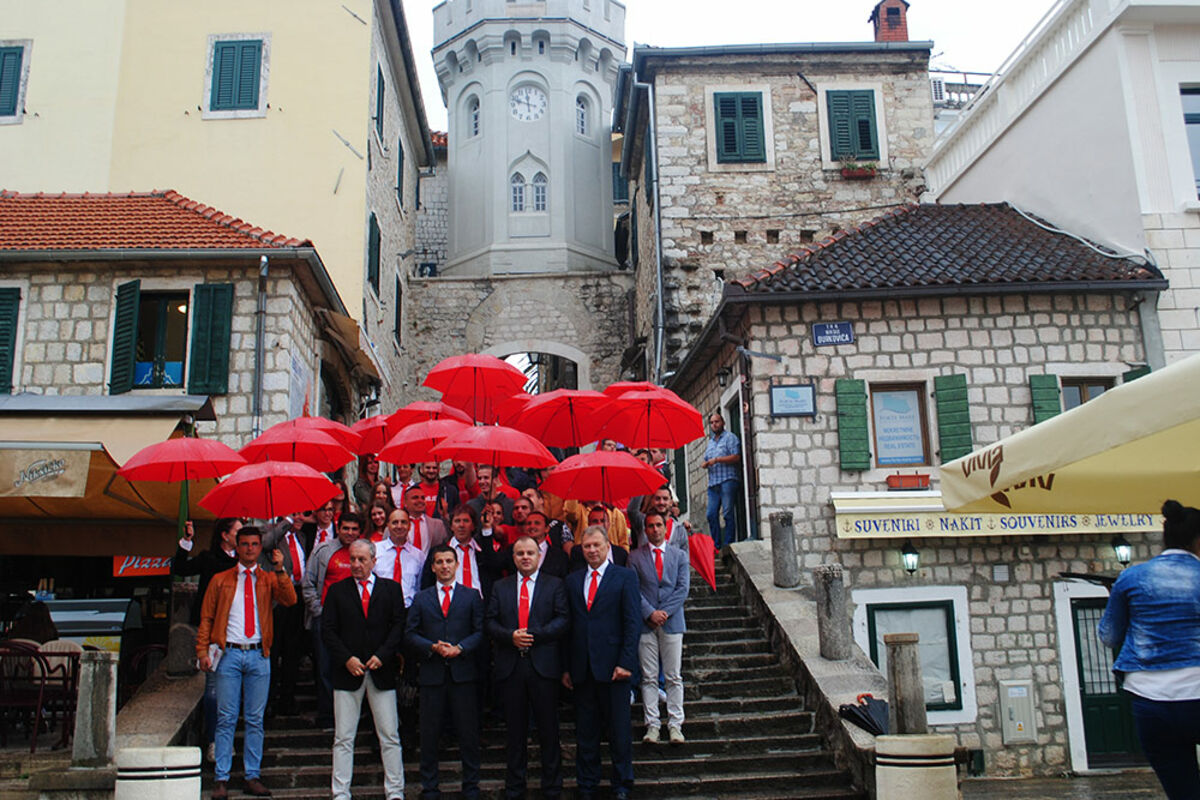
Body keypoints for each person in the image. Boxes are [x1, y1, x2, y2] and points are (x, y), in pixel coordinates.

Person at [1099, 500, 1200, 800]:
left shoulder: (1131, 578)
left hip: (1150, 701)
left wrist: (1118, 599)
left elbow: (1108, 636)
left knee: (1183, 791)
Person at [196, 526, 297, 799]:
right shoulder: (220, 579)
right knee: (226, 717)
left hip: (258, 653)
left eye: (254, 544)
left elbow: (290, 599)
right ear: (237, 547)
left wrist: (280, 569)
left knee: (255, 719)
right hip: (228, 652)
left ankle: (252, 775)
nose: (250, 549)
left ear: (260, 547)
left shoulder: (267, 578)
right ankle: (221, 777)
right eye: (245, 544)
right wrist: (202, 650)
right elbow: (207, 617)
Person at [486, 535, 569, 800]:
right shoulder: (500, 586)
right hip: (511, 667)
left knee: (548, 730)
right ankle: (515, 787)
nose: (525, 557)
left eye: (530, 553)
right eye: (520, 553)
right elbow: (490, 621)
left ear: (539, 556)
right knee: (514, 732)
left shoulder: (554, 585)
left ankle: (552, 787)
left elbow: (563, 619)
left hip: (543, 666)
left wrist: (534, 635)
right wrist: (510, 636)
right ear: (513, 558)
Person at [322, 539, 407, 800]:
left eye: (362, 559)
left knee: (389, 735)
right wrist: (346, 659)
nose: (356, 564)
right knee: (343, 737)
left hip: (381, 671)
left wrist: (383, 655)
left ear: (374, 561)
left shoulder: (390, 589)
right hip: (348, 672)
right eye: (353, 559)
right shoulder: (337, 591)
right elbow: (328, 630)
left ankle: (395, 791)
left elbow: (398, 626)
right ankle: (340, 792)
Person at [563, 526, 642, 800]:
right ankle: (587, 784)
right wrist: (567, 667)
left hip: (614, 668)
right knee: (586, 733)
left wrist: (626, 662)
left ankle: (622, 784)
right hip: (582, 668)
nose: (592, 550)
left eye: (597, 545)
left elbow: (632, 623)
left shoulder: (625, 577)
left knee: (619, 731)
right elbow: (569, 627)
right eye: (587, 546)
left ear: (608, 546)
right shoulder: (573, 581)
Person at [405, 544, 485, 800]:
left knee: (468, 734)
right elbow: (410, 633)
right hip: (432, 675)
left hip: (463, 674)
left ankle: (471, 786)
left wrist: (461, 648)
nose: (445, 566)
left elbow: (480, 631)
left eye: (449, 561)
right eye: (439, 562)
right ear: (432, 567)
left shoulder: (471, 596)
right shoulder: (421, 598)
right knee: (429, 735)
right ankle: (430, 787)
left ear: (457, 564)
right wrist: (432, 647)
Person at [172, 517, 240, 762]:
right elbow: (180, 568)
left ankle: (227, 738)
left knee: (233, 690)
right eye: (238, 531)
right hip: (212, 629)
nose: (242, 537)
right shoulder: (209, 558)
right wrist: (186, 541)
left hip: (237, 628)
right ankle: (214, 740)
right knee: (213, 690)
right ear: (225, 535)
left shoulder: (244, 562)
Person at [629, 511, 690, 744]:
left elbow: (682, 588)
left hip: (672, 621)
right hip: (646, 623)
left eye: (658, 525)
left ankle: (675, 724)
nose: (655, 530)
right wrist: (649, 613)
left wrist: (663, 612)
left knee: (673, 675)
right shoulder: (635, 557)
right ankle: (652, 725)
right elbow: (633, 589)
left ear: (665, 528)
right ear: (645, 530)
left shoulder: (679, 555)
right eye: (650, 526)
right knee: (649, 676)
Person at [304, 512, 365, 729]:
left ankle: (355, 718)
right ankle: (327, 716)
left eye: (354, 529)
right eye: (346, 528)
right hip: (326, 619)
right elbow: (309, 582)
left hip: (356, 621)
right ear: (338, 528)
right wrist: (319, 611)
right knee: (325, 668)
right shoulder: (323, 550)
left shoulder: (363, 552)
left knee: (355, 667)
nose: (350, 533)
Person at [261, 511, 316, 717]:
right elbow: (265, 543)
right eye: (295, 514)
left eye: (303, 514)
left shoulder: (301, 537)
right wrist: (288, 521)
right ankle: (269, 700)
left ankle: (287, 698)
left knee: (293, 651)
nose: (300, 518)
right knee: (274, 650)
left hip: (298, 597)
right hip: (278, 599)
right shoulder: (272, 533)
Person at [702, 412, 741, 549]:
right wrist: (705, 464)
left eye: (717, 422)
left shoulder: (730, 438)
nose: (714, 425)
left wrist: (718, 460)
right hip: (713, 484)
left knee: (727, 513)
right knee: (711, 514)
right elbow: (707, 459)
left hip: (727, 480)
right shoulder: (711, 442)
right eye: (712, 423)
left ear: (723, 422)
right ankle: (716, 545)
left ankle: (728, 544)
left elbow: (736, 457)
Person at [374, 507, 425, 608]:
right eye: (395, 522)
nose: (399, 526)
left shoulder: (418, 555)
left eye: (403, 522)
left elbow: (419, 587)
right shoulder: (375, 550)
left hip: (408, 609)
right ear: (388, 525)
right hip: (380, 607)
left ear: (409, 526)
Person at [405, 484, 447, 554]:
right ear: (405, 503)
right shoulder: (397, 525)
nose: (420, 500)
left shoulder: (438, 525)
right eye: (415, 498)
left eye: (423, 498)